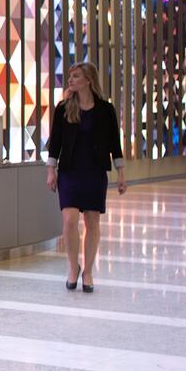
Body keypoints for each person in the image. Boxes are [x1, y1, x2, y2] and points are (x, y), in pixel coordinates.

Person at [45, 62, 127, 293]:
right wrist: (51, 170)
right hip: (70, 171)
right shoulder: (63, 108)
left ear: (88, 80)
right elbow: (56, 143)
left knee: (92, 221)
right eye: (70, 76)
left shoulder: (105, 110)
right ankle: (73, 268)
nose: (70, 80)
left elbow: (114, 144)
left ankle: (88, 271)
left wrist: (121, 173)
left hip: (94, 172)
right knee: (70, 220)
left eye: (76, 76)